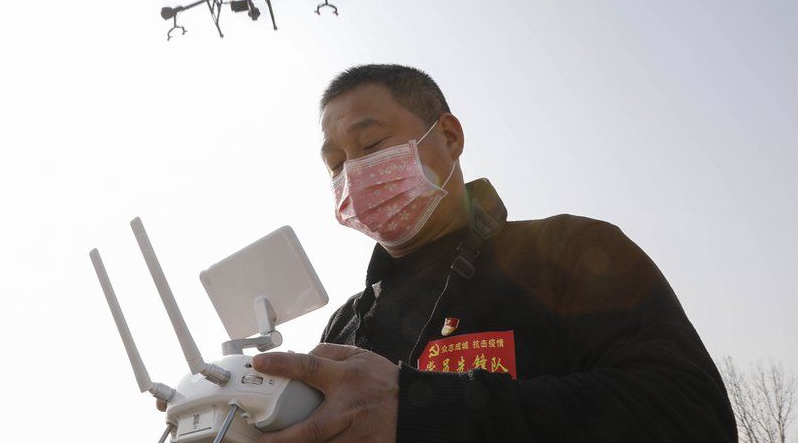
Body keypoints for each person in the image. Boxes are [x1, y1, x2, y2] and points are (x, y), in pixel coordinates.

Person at [249, 64, 737, 442]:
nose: (353, 174)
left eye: (371, 144)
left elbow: (689, 414)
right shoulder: (346, 326)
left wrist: (423, 411)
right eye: (335, 165)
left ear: (449, 136)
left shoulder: (570, 250)